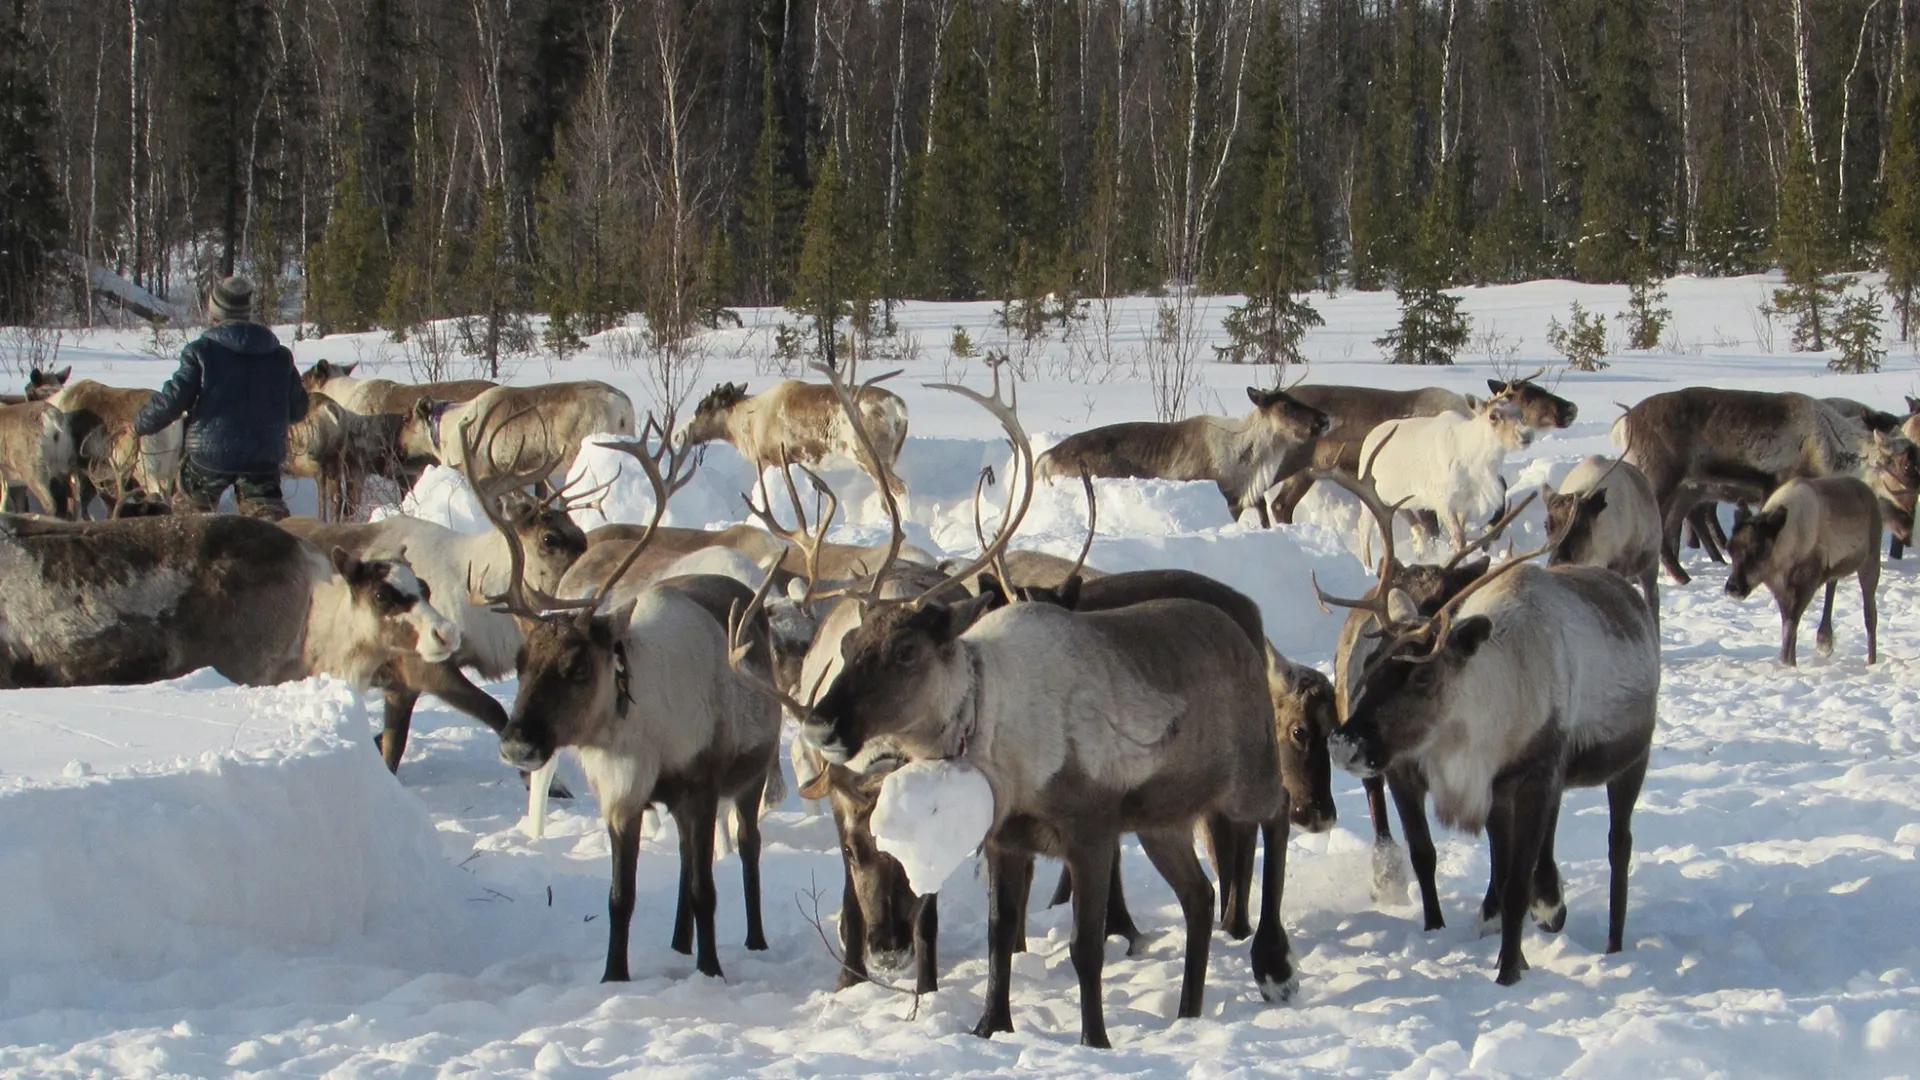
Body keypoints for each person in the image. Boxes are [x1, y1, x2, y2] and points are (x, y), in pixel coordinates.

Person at [134, 276, 308, 519]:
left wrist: (140, 423)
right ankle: (269, 538)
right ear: (247, 312)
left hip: (209, 459)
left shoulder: (201, 351)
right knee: (269, 524)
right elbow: (299, 410)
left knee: (190, 519)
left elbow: (173, 400)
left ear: (215, 312)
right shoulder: (279, 356)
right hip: (263, 460)